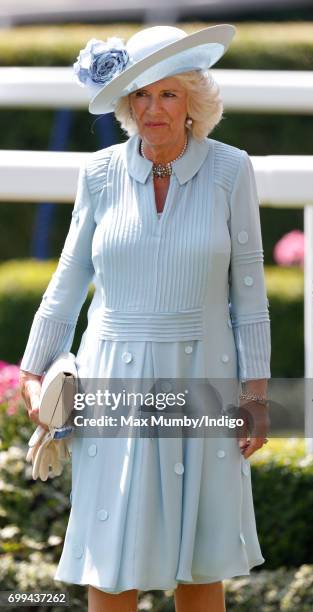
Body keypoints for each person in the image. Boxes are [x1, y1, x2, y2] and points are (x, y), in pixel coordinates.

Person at [19, 24, 271, 612]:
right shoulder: (99, 172)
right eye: (141, 95)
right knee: (111, 562)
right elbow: (67, 281)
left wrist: (256, 393)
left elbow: (251, 291)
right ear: (126, 104)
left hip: (206, 376)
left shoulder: (232, 170)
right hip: (113, 378)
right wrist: (33, 372)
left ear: (193, 104)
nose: (152, 108)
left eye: (168, 94)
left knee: (200, 562)